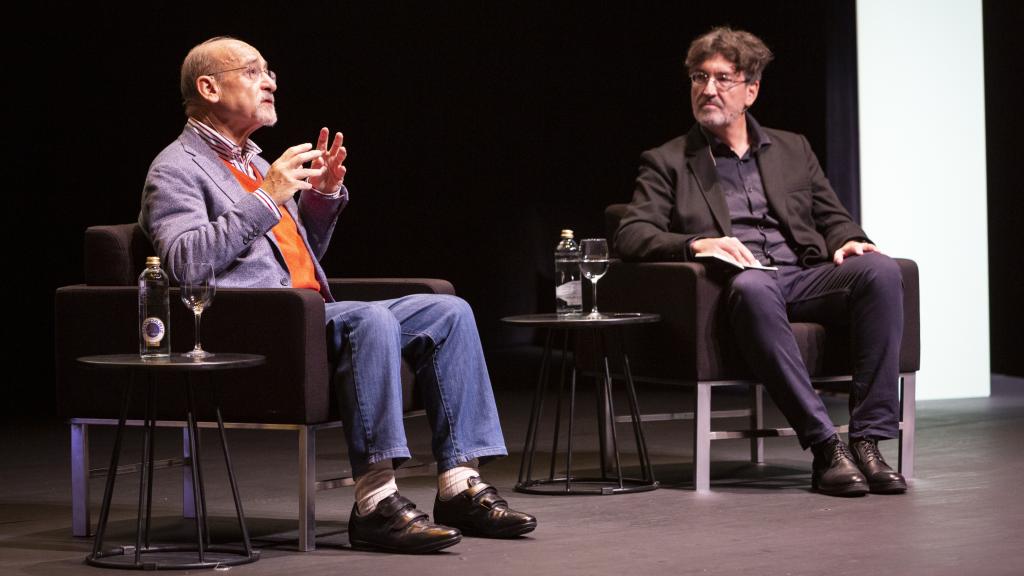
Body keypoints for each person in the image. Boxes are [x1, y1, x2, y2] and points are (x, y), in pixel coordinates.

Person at [139, 36, 536, 553]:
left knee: (449, 311)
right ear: (209, 88)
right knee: (371, 319)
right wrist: (267, 196)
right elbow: (187, 263)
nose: (270, 81)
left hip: (308, 312)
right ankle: (376, 503)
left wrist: (321, 202)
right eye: (253, 71)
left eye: (270, 71)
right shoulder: (176, 167)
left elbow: (291, 258)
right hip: (257, 326)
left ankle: (460, 486)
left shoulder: (256, 163)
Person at [615, 27, 907, 497]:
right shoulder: (667, 161)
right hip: (739, 285)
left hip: (803, 277)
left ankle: (869, 441)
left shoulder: (793, 149)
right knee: (754, 285)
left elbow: (832, 216)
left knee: (881, 269)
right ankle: (826, 448)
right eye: (699, 77)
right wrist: (698, 244)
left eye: (723, 78)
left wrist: (849, 239)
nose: (708, 89)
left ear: (751, 90)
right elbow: (631, 233)